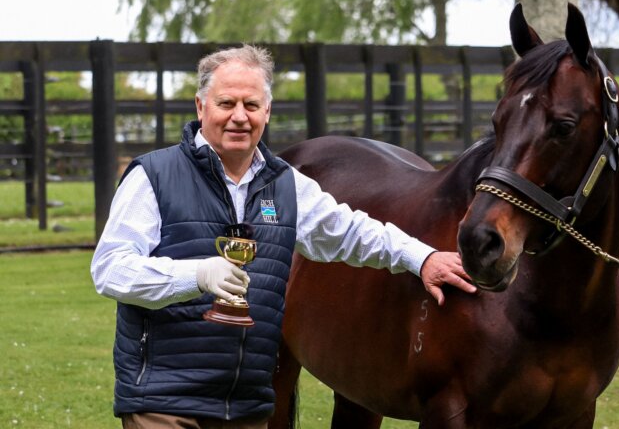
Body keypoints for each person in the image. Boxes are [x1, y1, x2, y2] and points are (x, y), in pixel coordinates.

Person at [91, 44, 477, 429]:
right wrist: (196, 276)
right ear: (200, 106)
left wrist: (421, 257)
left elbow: (351, 232)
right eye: (226, 103)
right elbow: (110, 269)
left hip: (246, 404)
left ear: (267, 111)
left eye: (252, 105)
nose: (239, 117)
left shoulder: (286, 184)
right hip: (166, 401)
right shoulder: (153, 176)